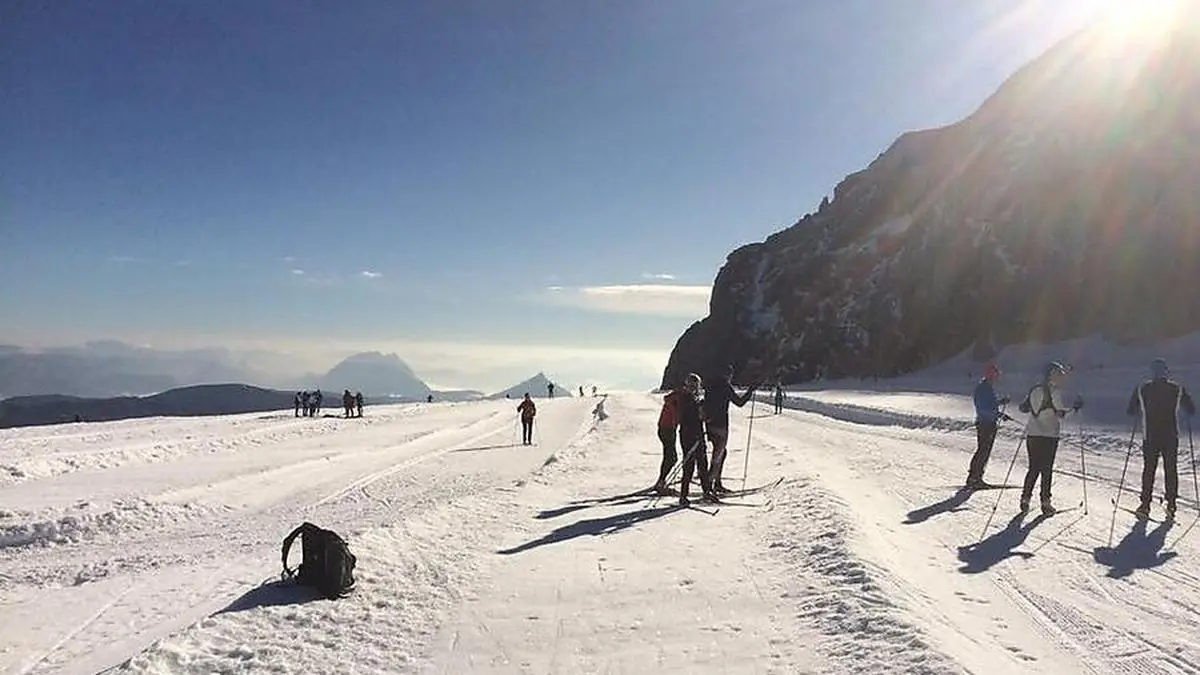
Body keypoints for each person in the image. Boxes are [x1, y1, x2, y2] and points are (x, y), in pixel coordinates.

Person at [1127, 358, 1196, 519]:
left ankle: (1145, 505)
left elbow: (1131, 411)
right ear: (1166, 372)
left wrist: (1140, 408)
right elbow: (1191, 409)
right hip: (1171, 435)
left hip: (1150, 435)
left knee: (1149, 469)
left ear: (1152, 372)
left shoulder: (1142, 388)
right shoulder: (1177, 388)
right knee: (1170, 469)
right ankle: (1171, 504)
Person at [1019, 361, 1082, 515]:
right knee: (1046, 470)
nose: (1061, 377)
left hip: (1032, 435)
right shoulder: (1054, 392)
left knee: (1033, 468)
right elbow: (1061, 414)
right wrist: (1076, 408)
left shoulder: (1034, 389)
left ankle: (1025, 499)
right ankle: (1045, 502)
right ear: (1051, 375)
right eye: (1058, 374)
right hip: (1048, 436)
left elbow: (1023, 408)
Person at [703, 366, 758, 493]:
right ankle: (710, 485)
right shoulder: (725, 387)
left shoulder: (710, 386)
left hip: (710, 424)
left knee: (720, 453)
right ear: (727, 375)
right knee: (719, 454)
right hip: (721, 424)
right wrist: (750, 390)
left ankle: (715, 482)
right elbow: (740, 402)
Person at [967, 363, 1011, 489]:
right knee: (983, 451)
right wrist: (998, 414)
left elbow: (990, 404)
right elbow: (983, 408)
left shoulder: (987, 388)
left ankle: (976, 477)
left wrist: (1000, 404)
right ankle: (974, 478)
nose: (997, 378)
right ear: (991, 375)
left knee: (984, 451)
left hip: (989, 423)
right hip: (985, 423)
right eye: (996, 375)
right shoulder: (983, 388)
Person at [677, 373, 717, 505]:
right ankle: (683, 496)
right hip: (688, 435)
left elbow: (700, 416)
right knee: (689, 466)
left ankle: (706, 491)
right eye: (692, 385)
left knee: (702, 464)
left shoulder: (694, 398)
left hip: (698, 434)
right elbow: (687, 418)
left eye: (696, 386)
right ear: (687, 385)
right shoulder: (685, 398)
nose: (694, 388)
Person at [654, 386, 681, 494]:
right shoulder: (677, 399)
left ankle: (661, 480)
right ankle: (661, 482)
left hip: (665, 428)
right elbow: (678, 414)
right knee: (671, 457)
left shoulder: (673, 398)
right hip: (668, 429)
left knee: (669, 456)